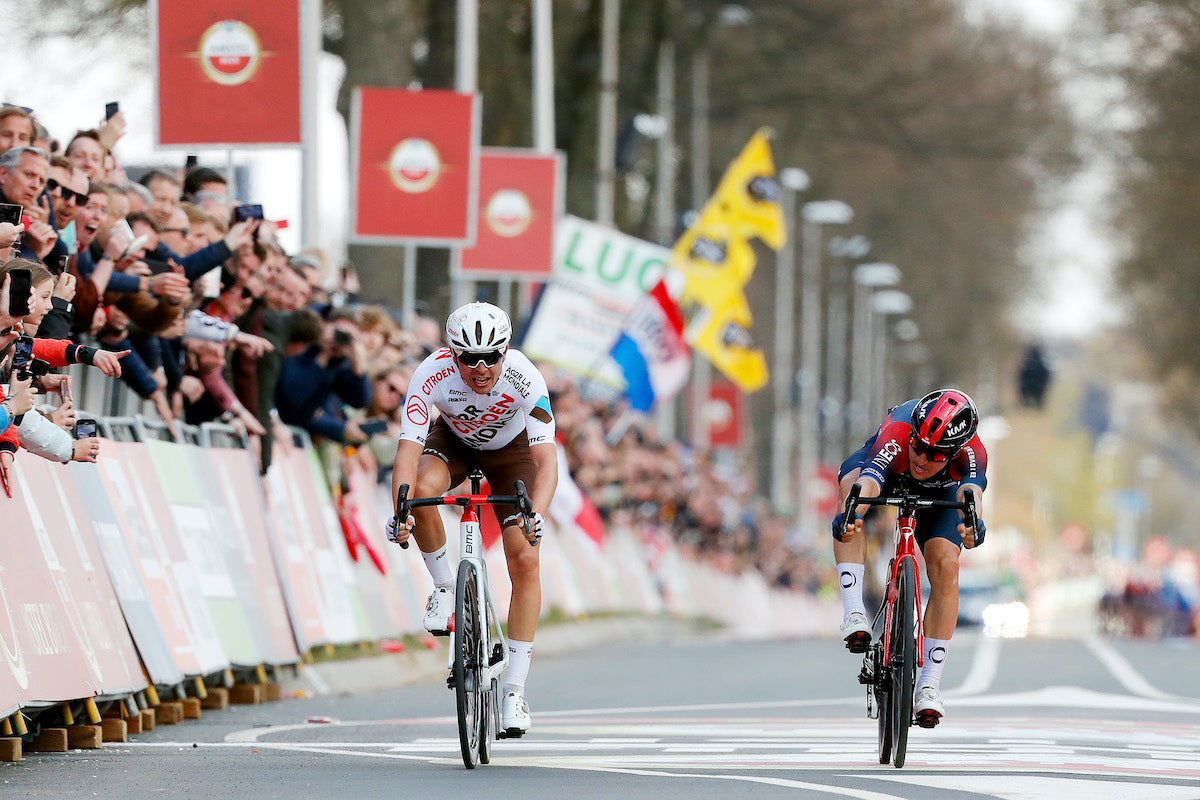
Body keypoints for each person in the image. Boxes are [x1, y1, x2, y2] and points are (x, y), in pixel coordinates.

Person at [389, 302, 558, 737]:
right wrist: (401, 511)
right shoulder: (430, 373)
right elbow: (407, 451)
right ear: (451, 354)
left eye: (491, 357)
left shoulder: (527, 378)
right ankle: (445, 586)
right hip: (454, 442)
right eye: (468, 358)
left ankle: (515, 691)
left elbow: (546, 459)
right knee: (423, 492)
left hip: (512, 453)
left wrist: (535, 516)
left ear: (506, 352)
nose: (480, 368)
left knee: (525, 558)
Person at [832, 388, 987, 728]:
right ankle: (854, 611)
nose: (921, 458)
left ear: (954, 453)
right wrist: (853, 511)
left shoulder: (973, 452)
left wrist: (972, 522)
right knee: (851, 491)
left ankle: (929, 682)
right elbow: (872, 479)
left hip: (941, 490)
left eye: (934, 454)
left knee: (947, 565)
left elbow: (970, 491)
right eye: (919, 446)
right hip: (887, 472)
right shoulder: (901, 430)